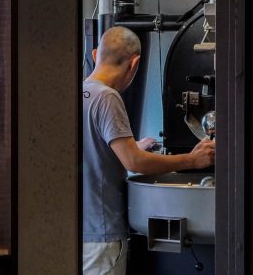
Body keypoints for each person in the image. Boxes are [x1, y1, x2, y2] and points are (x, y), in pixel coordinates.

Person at [82, 26, 215, 275]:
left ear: (94, 54)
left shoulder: (79, 93)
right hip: (101, 237)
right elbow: (135, 163)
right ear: (135, 64)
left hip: (77, 234)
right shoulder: (107, 98)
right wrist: (192, 160)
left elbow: (94, 154)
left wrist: (132, 146)